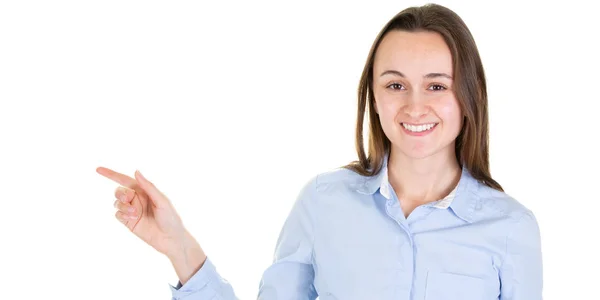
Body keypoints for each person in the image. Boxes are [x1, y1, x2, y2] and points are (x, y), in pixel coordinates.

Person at [97, 3, 543, 299]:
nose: (414, 105)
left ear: (468, 95)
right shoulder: (324, 202)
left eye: (436, 85)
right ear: (374, 96)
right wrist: (178, 244)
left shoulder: (511, 229)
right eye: (394, 84)